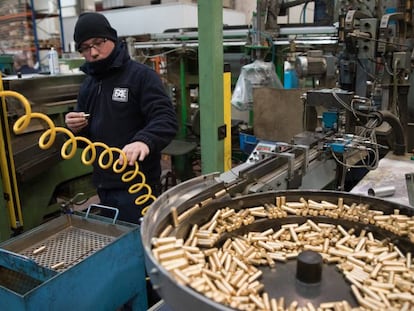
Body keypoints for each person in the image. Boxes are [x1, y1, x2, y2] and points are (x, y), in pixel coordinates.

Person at [65, 12, 178, 224]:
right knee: (116, 241)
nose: (94, 52)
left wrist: (143, 140)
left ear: (112, 39)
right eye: (85, 48)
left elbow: (166, 118)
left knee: (140, 241)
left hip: (137, 183)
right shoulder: (89, 84)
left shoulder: (141, 76)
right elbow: (87, 136)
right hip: (103, 184)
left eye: (98, 43)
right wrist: (75, 127)